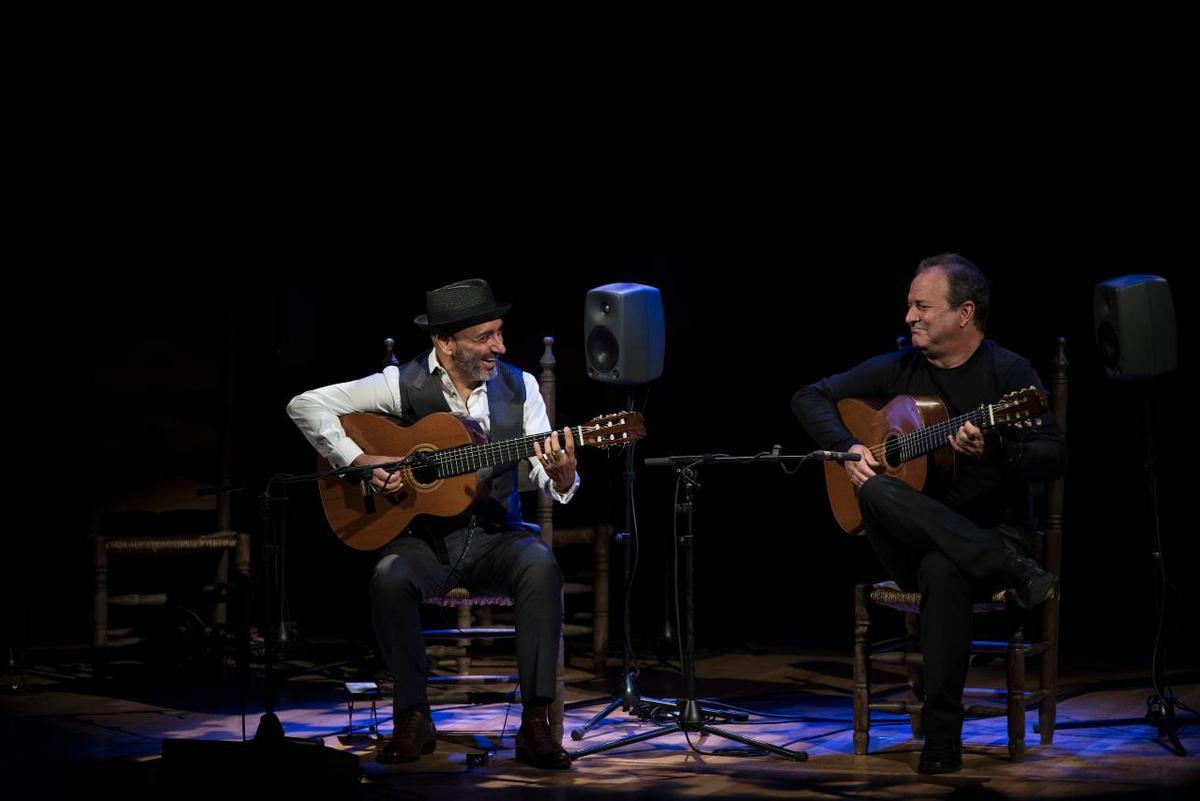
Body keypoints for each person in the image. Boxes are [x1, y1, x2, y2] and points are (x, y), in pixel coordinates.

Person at [791, 254, 1066, 774]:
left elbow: (1055, 458)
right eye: (908, 306)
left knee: (943, 569)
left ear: (965, 313)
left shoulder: (1008, 374)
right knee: (872, 490)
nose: (909, 317)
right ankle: (1014, 572)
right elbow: (809, 396)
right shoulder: (901, 365)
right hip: (914, 542)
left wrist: (997, 450)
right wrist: (849, 447)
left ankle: (942, 738)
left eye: (922, 306)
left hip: (993, 532)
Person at [288, 278, 577, 769]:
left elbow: (537, 470)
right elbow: (305, 405)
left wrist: (561, 475)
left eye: (499, 333)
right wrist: (360, 460)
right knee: (388, 576)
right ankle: (413, 717)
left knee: (541, 566)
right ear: (445, 342)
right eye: (485, 337)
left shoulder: (520, 385)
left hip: (496, 536)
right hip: (425, 542)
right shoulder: (399, 383)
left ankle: (535, 722)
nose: (499, 346)